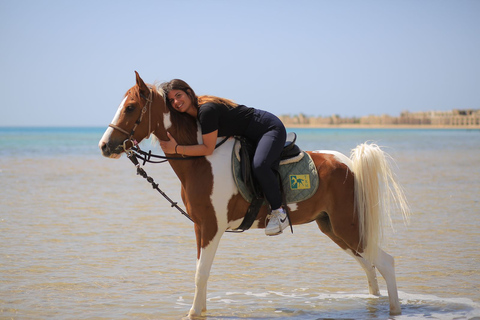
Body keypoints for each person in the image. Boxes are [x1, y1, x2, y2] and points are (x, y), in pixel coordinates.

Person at [159, 79, 288, 236]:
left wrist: (177, 149)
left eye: (178, 95)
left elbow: (208, 148)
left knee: (260, 165)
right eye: (171, 100)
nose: (176, 102)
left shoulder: (206, 110)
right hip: (250, 133)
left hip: (269, 128)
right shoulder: (194, 114)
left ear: (189, 92)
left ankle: (279, 211)